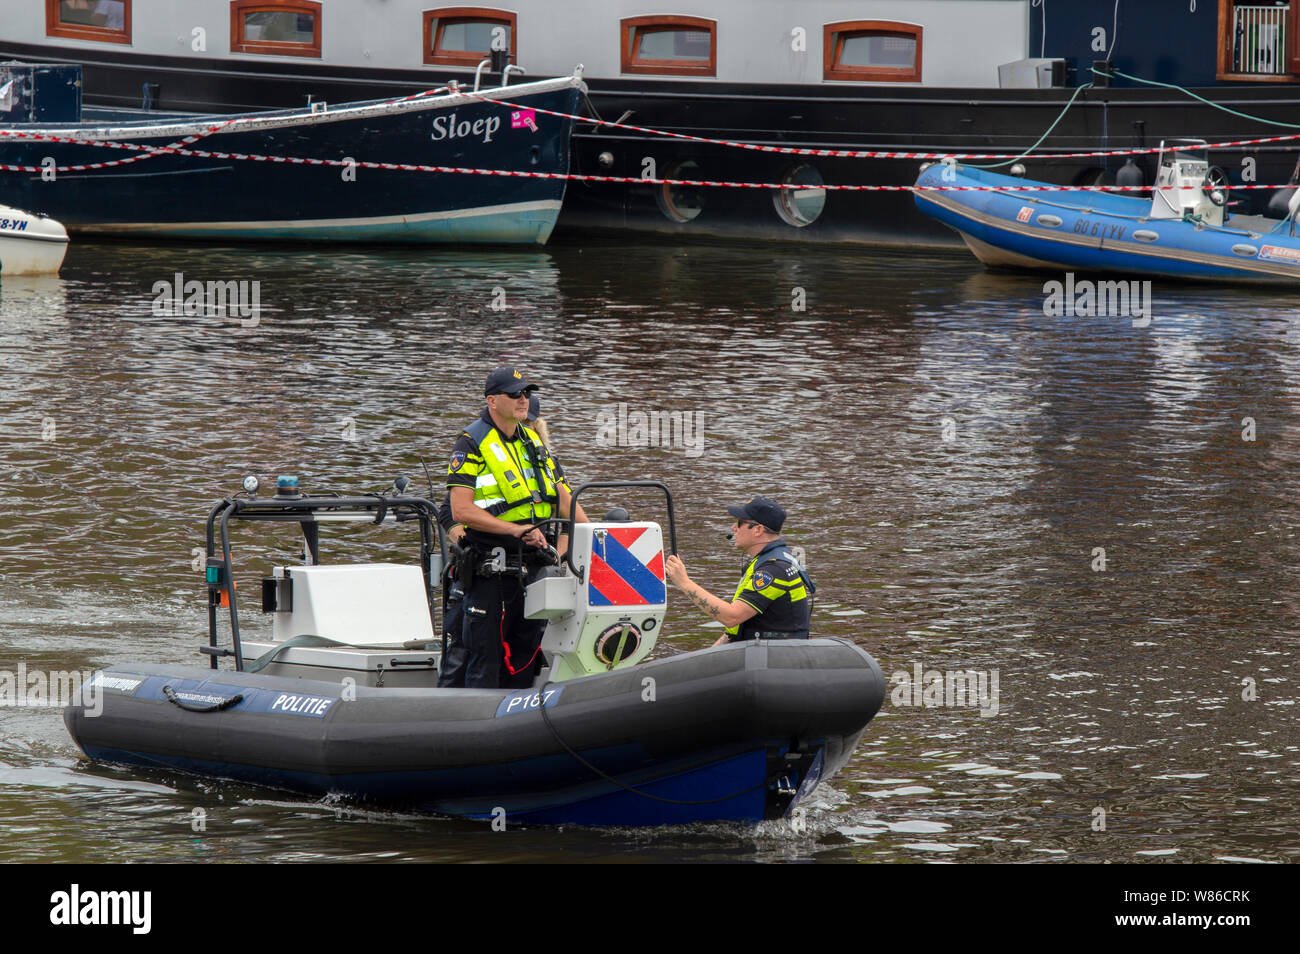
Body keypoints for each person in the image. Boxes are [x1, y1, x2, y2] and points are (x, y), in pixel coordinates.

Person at [447, 366, 587, 688]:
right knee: (485, 661)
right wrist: (514, 529)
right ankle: (476, 731)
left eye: (526, 393)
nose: (523, 399)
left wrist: (597, 536)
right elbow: (459, 509)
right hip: (491, 572)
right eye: (515, 394)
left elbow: (563, 499)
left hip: (535, 571)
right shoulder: (471, 442)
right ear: (492, 401)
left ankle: (520, 725)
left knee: (524, 658)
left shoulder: (532, 441)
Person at [664, 496, 813, 647]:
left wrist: (684, 582)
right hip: (761, 652)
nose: (733, 527)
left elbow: (732, 617)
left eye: (739, 522)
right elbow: (734, 629)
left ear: (758, 530)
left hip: (777, 658)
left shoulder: (773, 569)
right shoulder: (766, 561)